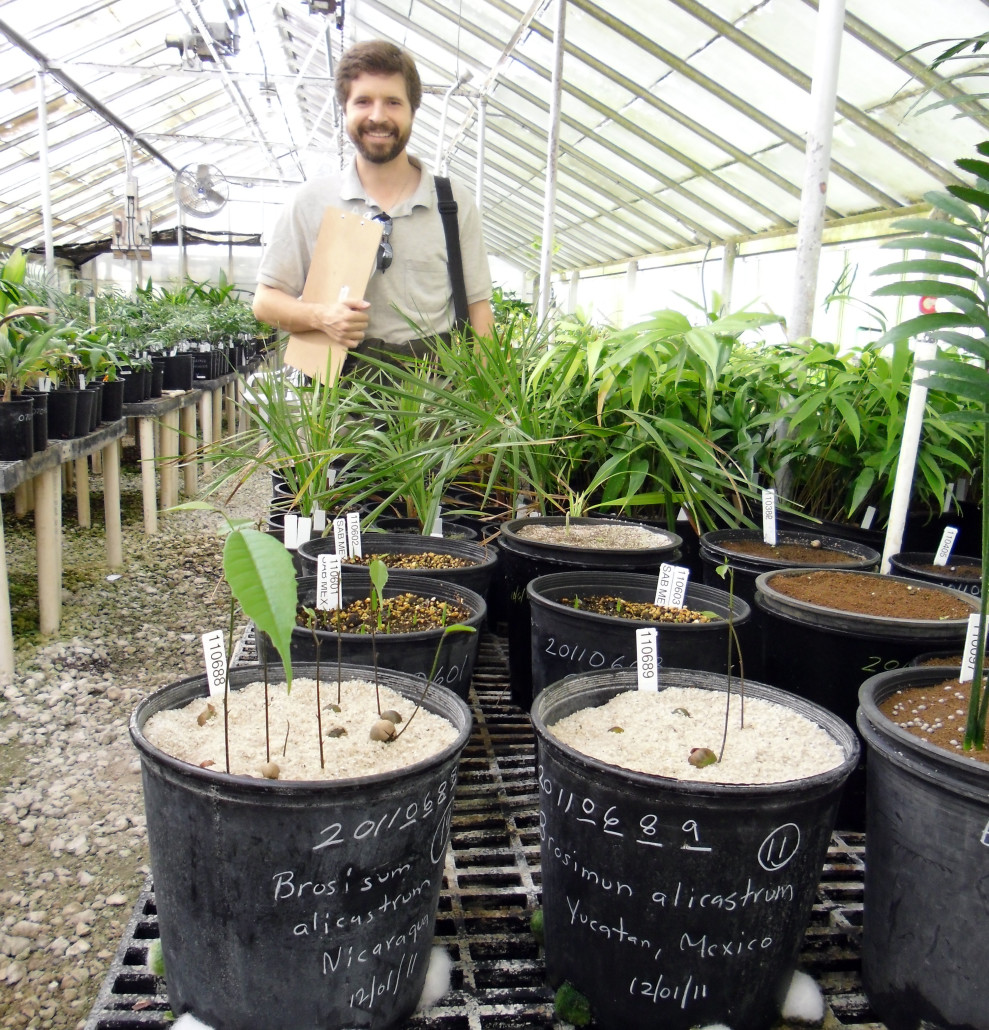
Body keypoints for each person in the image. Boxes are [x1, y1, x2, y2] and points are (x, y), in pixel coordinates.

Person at [253, 39, 494, 368]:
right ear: (345, 110)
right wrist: (322, 316)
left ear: (412, 111)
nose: (378, 116)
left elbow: (479, 311)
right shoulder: (311, 201)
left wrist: (488, 404)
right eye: (363, 101)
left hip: (436, 403)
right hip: (337, 404)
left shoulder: (451, 203)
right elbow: (265, 302)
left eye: (393, 102)